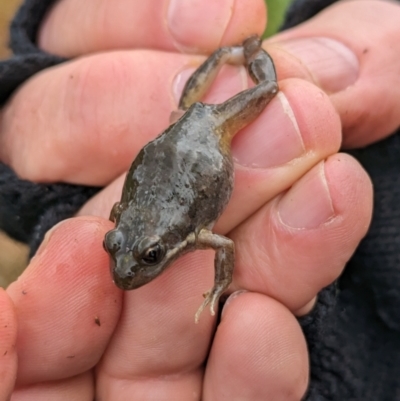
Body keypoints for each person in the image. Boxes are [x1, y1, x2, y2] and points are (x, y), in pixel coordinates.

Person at [0, 0, 399, 399]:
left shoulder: (191, 235)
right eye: (115, 246)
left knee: (270, 90)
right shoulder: (159, 230)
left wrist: (216, 285)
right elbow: (131, 213)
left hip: (210, 129)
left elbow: (220, 245)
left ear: (170, 243)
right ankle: (227, 55)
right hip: (180, 141)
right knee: (194, 107)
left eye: (150, 256)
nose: (122, 269)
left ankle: (239, 54)